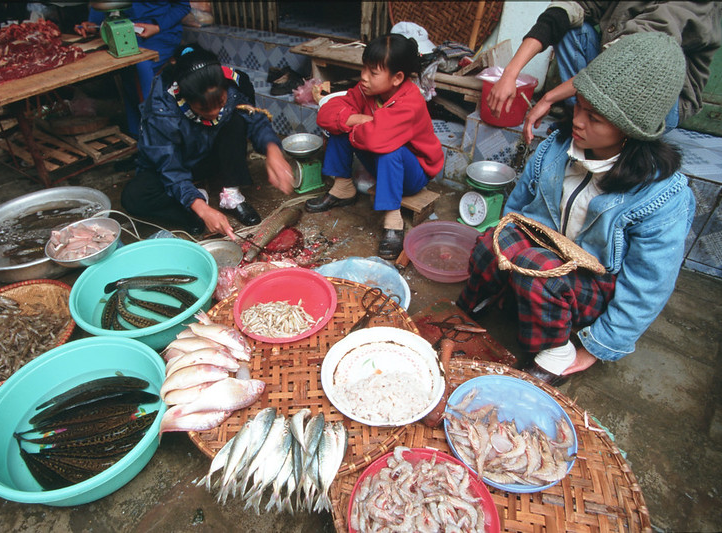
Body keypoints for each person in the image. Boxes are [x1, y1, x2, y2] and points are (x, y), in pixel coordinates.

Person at [457, 32, 696, 386]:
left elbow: (649, 283)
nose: (579, 122)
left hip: (590, 284)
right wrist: (502, 248)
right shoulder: (556, 147)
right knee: (492, 239)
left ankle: (557, 351)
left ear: (632, 131)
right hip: (546, 257)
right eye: (578, 106)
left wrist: (598, 347)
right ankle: (477, 305)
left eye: (595, 118)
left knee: (534, 267)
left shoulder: (660, 196)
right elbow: (518, 209)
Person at [120, 45, 294, 240]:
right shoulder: (162, 110)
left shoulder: (234, 84)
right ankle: (193, 206)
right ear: (186, 98)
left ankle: (231, 195)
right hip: (178, 162)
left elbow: (255, 120)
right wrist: (201, 208)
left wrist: (273, 151)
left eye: (220, 103)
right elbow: (169, 167)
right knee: (134, 197)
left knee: (237, 120)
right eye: (203, 108)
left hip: (211, 156)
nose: (214, 113)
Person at [487, 1, 722, 136]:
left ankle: (600, 128)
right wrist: (510, 74)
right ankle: (583, 117)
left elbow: (627, 61)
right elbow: (566, 10)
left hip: (660, 100)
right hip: (607, 73)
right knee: (571, 29)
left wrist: (549, 97)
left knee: (629, 65)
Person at [306, 33, 444, 260]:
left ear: (397, 78)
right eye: (364, 69)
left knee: (389, 148)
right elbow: (327, 112)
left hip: (414, 174)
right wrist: (356, 119)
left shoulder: (411, 102)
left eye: (373, 73)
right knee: (343, 122)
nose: (363, 78)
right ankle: (343, 188)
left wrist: (354, 123)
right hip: (383, 162)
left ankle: (393, 220)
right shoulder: (366, 91)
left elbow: (377, 140)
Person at [75, 2, 191, 139]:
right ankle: (137, 135)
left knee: (141, 66)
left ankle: (157, 135)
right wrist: (93, 24)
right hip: (123, 31)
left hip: (160, 35)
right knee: (126, 71)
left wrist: (158, 26)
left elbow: (182, 6)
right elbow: (103, 5)